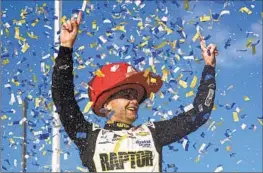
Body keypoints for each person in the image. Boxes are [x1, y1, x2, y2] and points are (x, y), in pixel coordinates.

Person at [52, 11, 217, 172]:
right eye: (126, 95)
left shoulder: (152, 133)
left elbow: (200, 112)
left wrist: (209, 68)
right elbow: (63, 99)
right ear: (106, 103)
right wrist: (66, 48)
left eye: (135, 96)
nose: (134, 101)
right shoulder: (90, 138)